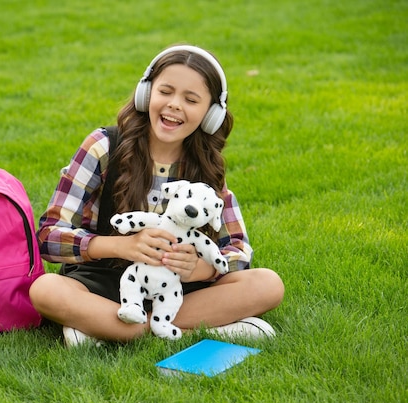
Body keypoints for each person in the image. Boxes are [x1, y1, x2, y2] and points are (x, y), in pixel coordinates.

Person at [29, 45, 284, 346]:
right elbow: (48, 236)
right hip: (104, 282)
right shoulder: (103, 147)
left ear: (210, 114)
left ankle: (108, 330)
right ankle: (191, 330)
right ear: (146, 93)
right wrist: (121, 246)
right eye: (166, 91)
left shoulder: (206, 165)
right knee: (45, 290)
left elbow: (238, 250)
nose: (175, 105)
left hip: (178, 290)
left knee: (268, 284)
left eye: (191, 99)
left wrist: (198, 269)